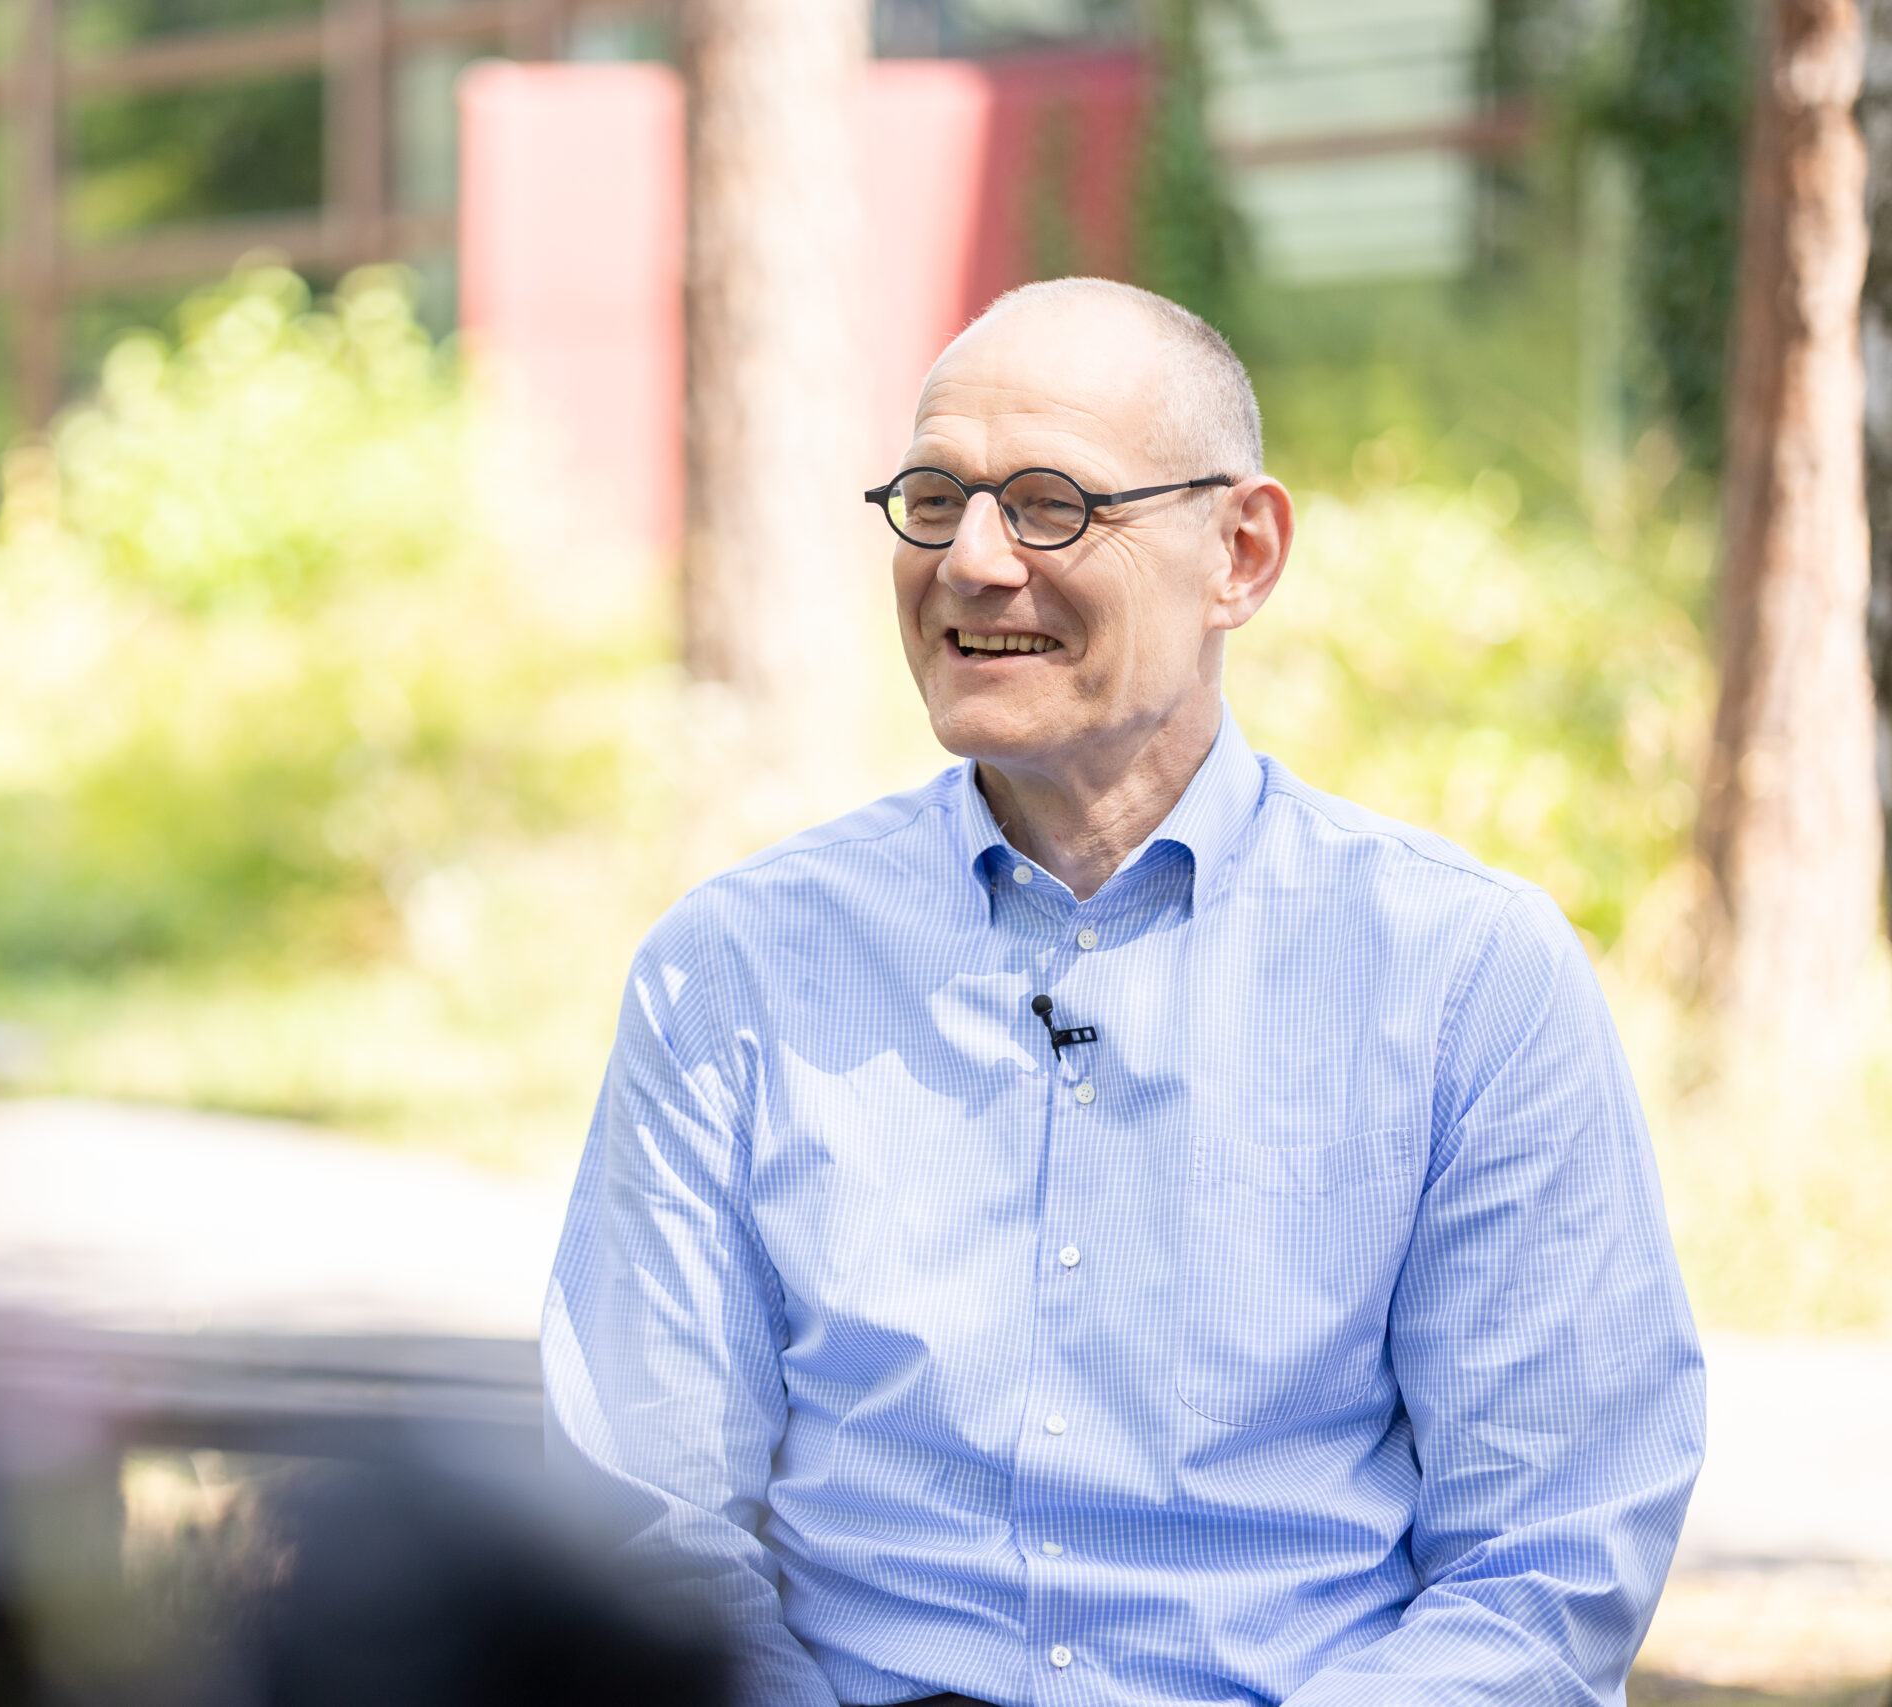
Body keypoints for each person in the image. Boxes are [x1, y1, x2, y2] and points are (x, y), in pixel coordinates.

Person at [541, 277, 1704, 1707]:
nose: (971, 559)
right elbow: (645, 1523)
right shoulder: (731, 972)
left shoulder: (1465, 978)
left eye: (1048, 505)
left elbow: (1546, 1564)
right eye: (932, 496)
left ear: (1242, 552)